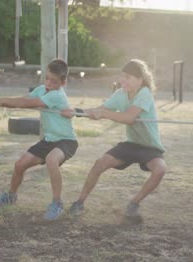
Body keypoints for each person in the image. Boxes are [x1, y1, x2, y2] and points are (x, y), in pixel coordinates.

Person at [67, 59, 167, 218]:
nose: (122, 80)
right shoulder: (120, 94)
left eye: (127, 77)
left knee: (160, 169)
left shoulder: (145, 93)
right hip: (131, 144)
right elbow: (99, 110)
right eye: (122, 76)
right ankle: (79, 203)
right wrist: (75, 111)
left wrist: (104, 114)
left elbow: (129, 118)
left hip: (150, 147)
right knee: (99, 164)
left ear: (140, 79)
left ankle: (134, 204)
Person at [0, 59, 78, 221]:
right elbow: (23, 99)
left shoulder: (57, 95)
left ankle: (57, 203)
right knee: (19, 165)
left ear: (63, 83)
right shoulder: (42, 89)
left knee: (51, 160)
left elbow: (27, 103)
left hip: (66, 141)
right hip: (49, 140)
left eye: (54, 81)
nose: (49, 83)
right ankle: (11, 196)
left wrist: (1, 100)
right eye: (47, 78)